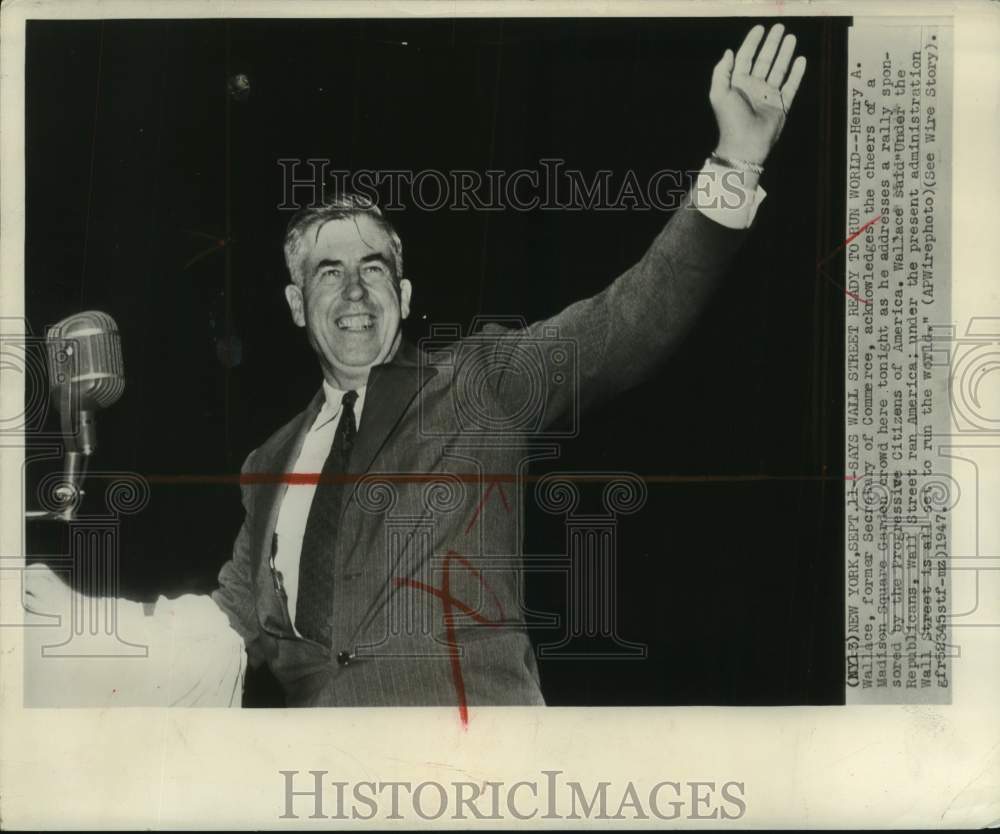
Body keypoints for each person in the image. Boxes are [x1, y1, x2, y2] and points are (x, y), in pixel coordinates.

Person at [23, 23, 806, 709]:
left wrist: (737, 157)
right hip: (324, 788)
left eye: (373, 269)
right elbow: (222, 631)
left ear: (402, 294)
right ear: (298, 304)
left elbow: (628, 321)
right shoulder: (266, 466)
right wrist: (59, 621)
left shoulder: (481, 383)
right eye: (328, 272)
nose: (354, 290)